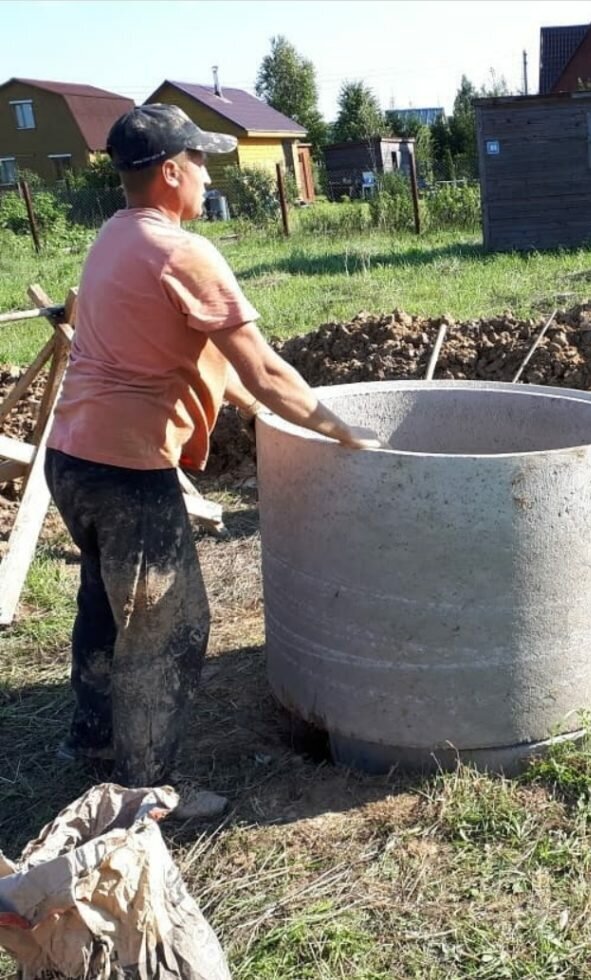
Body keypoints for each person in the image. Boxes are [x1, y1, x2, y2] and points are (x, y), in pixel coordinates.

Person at [45, 104, 381, 794]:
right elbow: (262, 367)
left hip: (72, 459)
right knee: (169, 627)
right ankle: (146, 795)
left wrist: (249, 404)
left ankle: (92, 744)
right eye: (199, 162)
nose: (206, 175)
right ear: (170, 172)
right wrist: (344, 430)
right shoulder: (183, 252)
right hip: (124, 470)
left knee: (106, 606)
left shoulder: (115, 236)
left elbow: (166, 347)